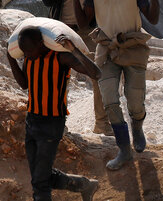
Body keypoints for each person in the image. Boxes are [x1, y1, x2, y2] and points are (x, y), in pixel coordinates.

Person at [72, 0, 160, 171]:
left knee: (135, 98)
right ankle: (124, 149)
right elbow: (83, 24)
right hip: (106, 48)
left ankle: (137, 128)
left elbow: (153, 18)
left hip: (132, 46)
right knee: (109, 99)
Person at [7, 28, 100, 201]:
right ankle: (84, 185)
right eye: (24, 52)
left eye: (29, 50)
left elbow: (96, 73)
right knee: (39, 175)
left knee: (40, 184)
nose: (26, 55)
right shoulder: (29, 57)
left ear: (41, 44)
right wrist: (10, 59)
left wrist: (74, 50)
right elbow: (24, 84)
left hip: (51, 123)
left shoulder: (60, 57)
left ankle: (84, 185)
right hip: (32, 120)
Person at [39, 0, 111, 136]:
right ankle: (58, 122)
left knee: (98, 74)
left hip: (88, 30)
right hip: (62, 30)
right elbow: (48, 0)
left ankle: (102, 123)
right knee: (59, 75)